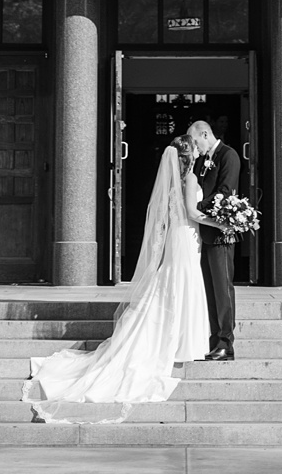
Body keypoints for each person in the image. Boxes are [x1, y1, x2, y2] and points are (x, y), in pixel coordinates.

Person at [23, 138, 207, 422]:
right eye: (195, 148)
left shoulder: (173, 181)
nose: (198, 152)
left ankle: (178, 341)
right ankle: (182, 343)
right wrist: (224, 220)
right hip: (186, 237)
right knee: (182, 285)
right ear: (190, 154)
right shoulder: (191, 178)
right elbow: (193, 213)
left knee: (171, 284)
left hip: (176, 240)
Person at [186, 117, 244, 361]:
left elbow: (225, 192)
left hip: (220, 234)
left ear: (205, 134)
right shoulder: (202, 161)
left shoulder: (228, 155)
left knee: (222, 289)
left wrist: (194, 207)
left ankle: (225, 344)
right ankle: (213, 341)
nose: (194, 146)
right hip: (204, 234)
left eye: (196, 140)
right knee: (209, 290)